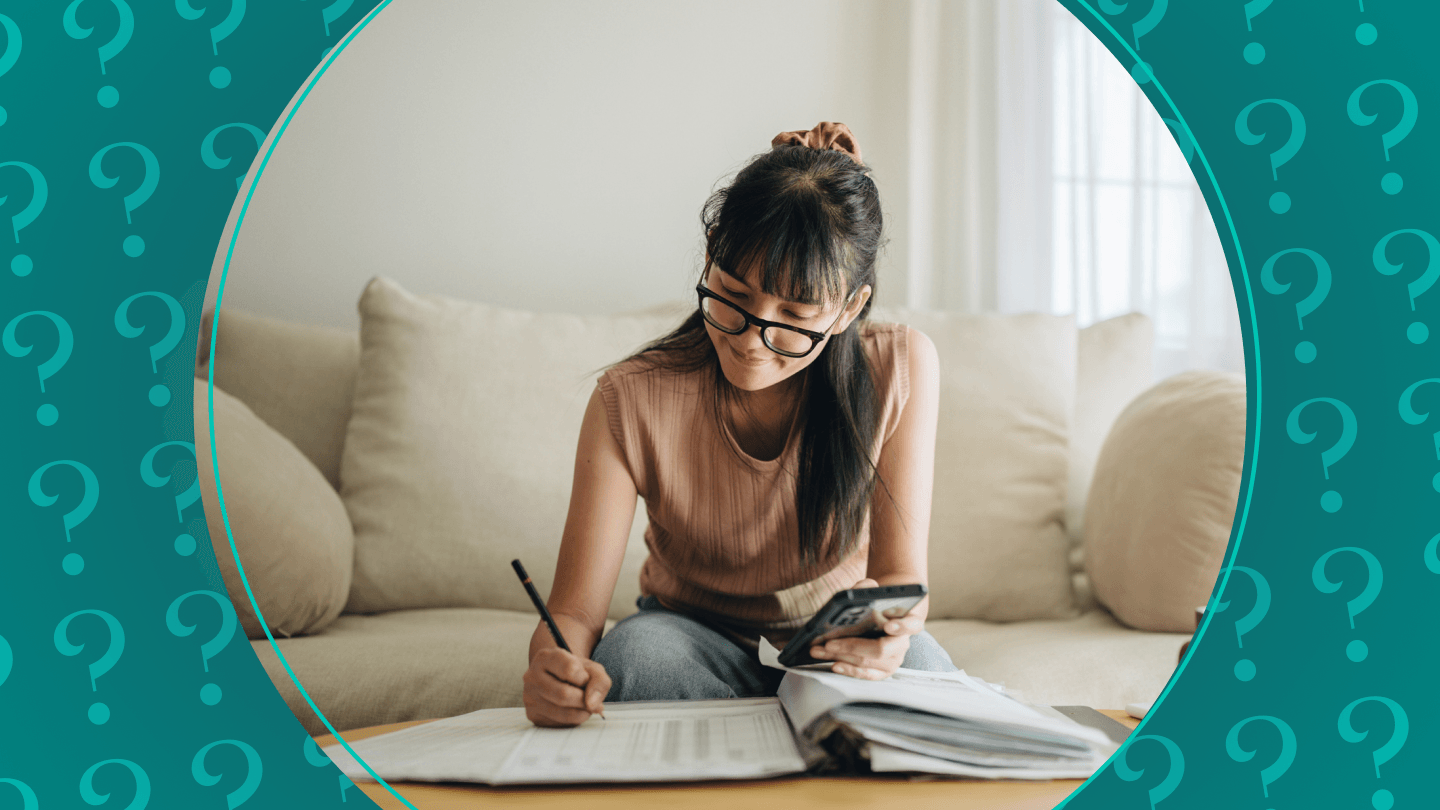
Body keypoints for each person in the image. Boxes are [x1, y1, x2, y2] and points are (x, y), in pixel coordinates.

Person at [521, 122, 954, 728]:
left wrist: (892, 634)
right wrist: (552, 663)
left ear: (850, 308)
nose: (753, 340)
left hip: (834, 641)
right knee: (636, 661)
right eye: (731, 294)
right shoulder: (630, 397)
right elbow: (573, 613)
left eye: (795, 315)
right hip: (689, 633)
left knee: (929, 681)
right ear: (709, 255)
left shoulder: (899, 366)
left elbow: (902, 579)